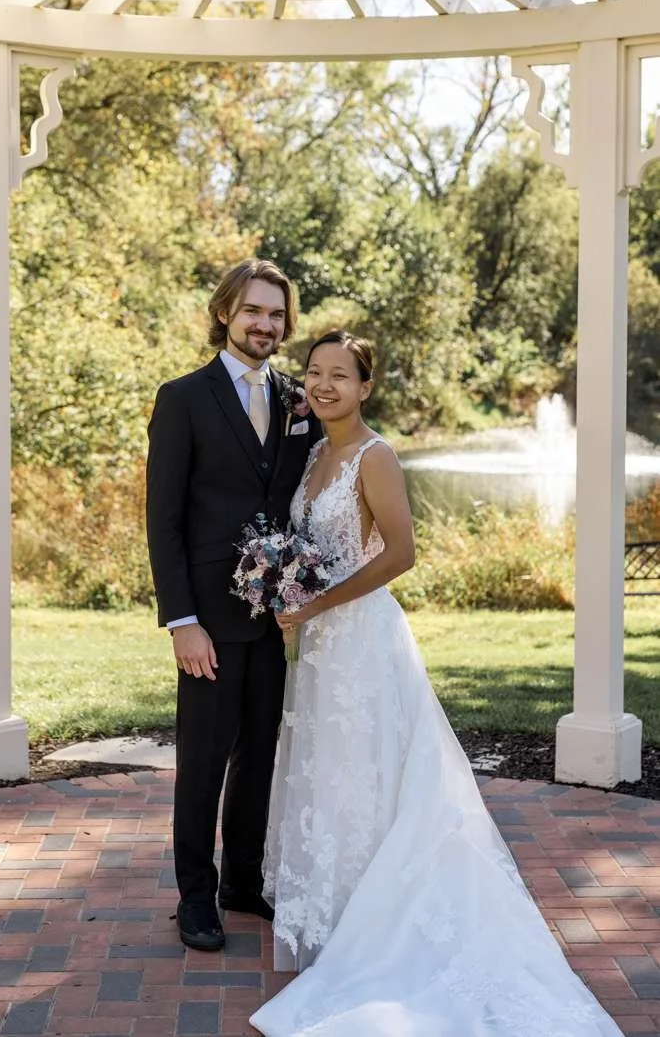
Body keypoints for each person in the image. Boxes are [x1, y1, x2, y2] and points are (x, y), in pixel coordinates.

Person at [248, 330, 617, 1035]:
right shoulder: (315, 452)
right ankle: (340, 914)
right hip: (320, 645)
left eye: (340, 376)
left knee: (371, 774)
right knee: (330, 775)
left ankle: (380, 928)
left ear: (365, 386)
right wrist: (286, 586)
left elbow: (403, 553)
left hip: (361, 641)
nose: (324, 385)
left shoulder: (374, 455)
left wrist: (315, 603)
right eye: (315, 373)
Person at [144, 258, 319, 951]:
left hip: (272, 615)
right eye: (254, 311)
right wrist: (181, 622)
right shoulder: (183, 397)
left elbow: (294, 493)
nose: (265, 325)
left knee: (258, 754)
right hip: (207, 620)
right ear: (226, 313)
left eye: (277, 315)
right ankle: (195, 895)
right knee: (205, 758)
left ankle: (241, 881)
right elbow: (165, 520)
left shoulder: (292, 401)